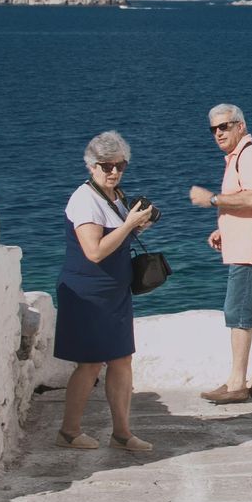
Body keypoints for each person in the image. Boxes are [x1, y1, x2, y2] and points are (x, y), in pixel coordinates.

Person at [53, 131, 156, 452]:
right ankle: (69, 431)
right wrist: (128, 226)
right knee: (90, 364)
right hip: (89, 294)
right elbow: (94, 251)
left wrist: (136, 223)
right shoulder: (85, 199)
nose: (113, 172)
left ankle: (122, 433)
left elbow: (116, 237)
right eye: (106, 166)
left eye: (120, 166)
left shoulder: (114, 195)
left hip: (114, 292)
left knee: (122, 360)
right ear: (91, 166)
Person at [188, 103, 252, 404]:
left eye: (224, 126)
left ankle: (236, 384)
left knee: (238, 314)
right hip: (251, 244)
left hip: (248, 251)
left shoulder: (251, 155)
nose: (218, 133)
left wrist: (211, 199)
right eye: (213, 129)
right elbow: (249, 200)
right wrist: (224, 230)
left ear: (240, 125)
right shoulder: (239, 157)